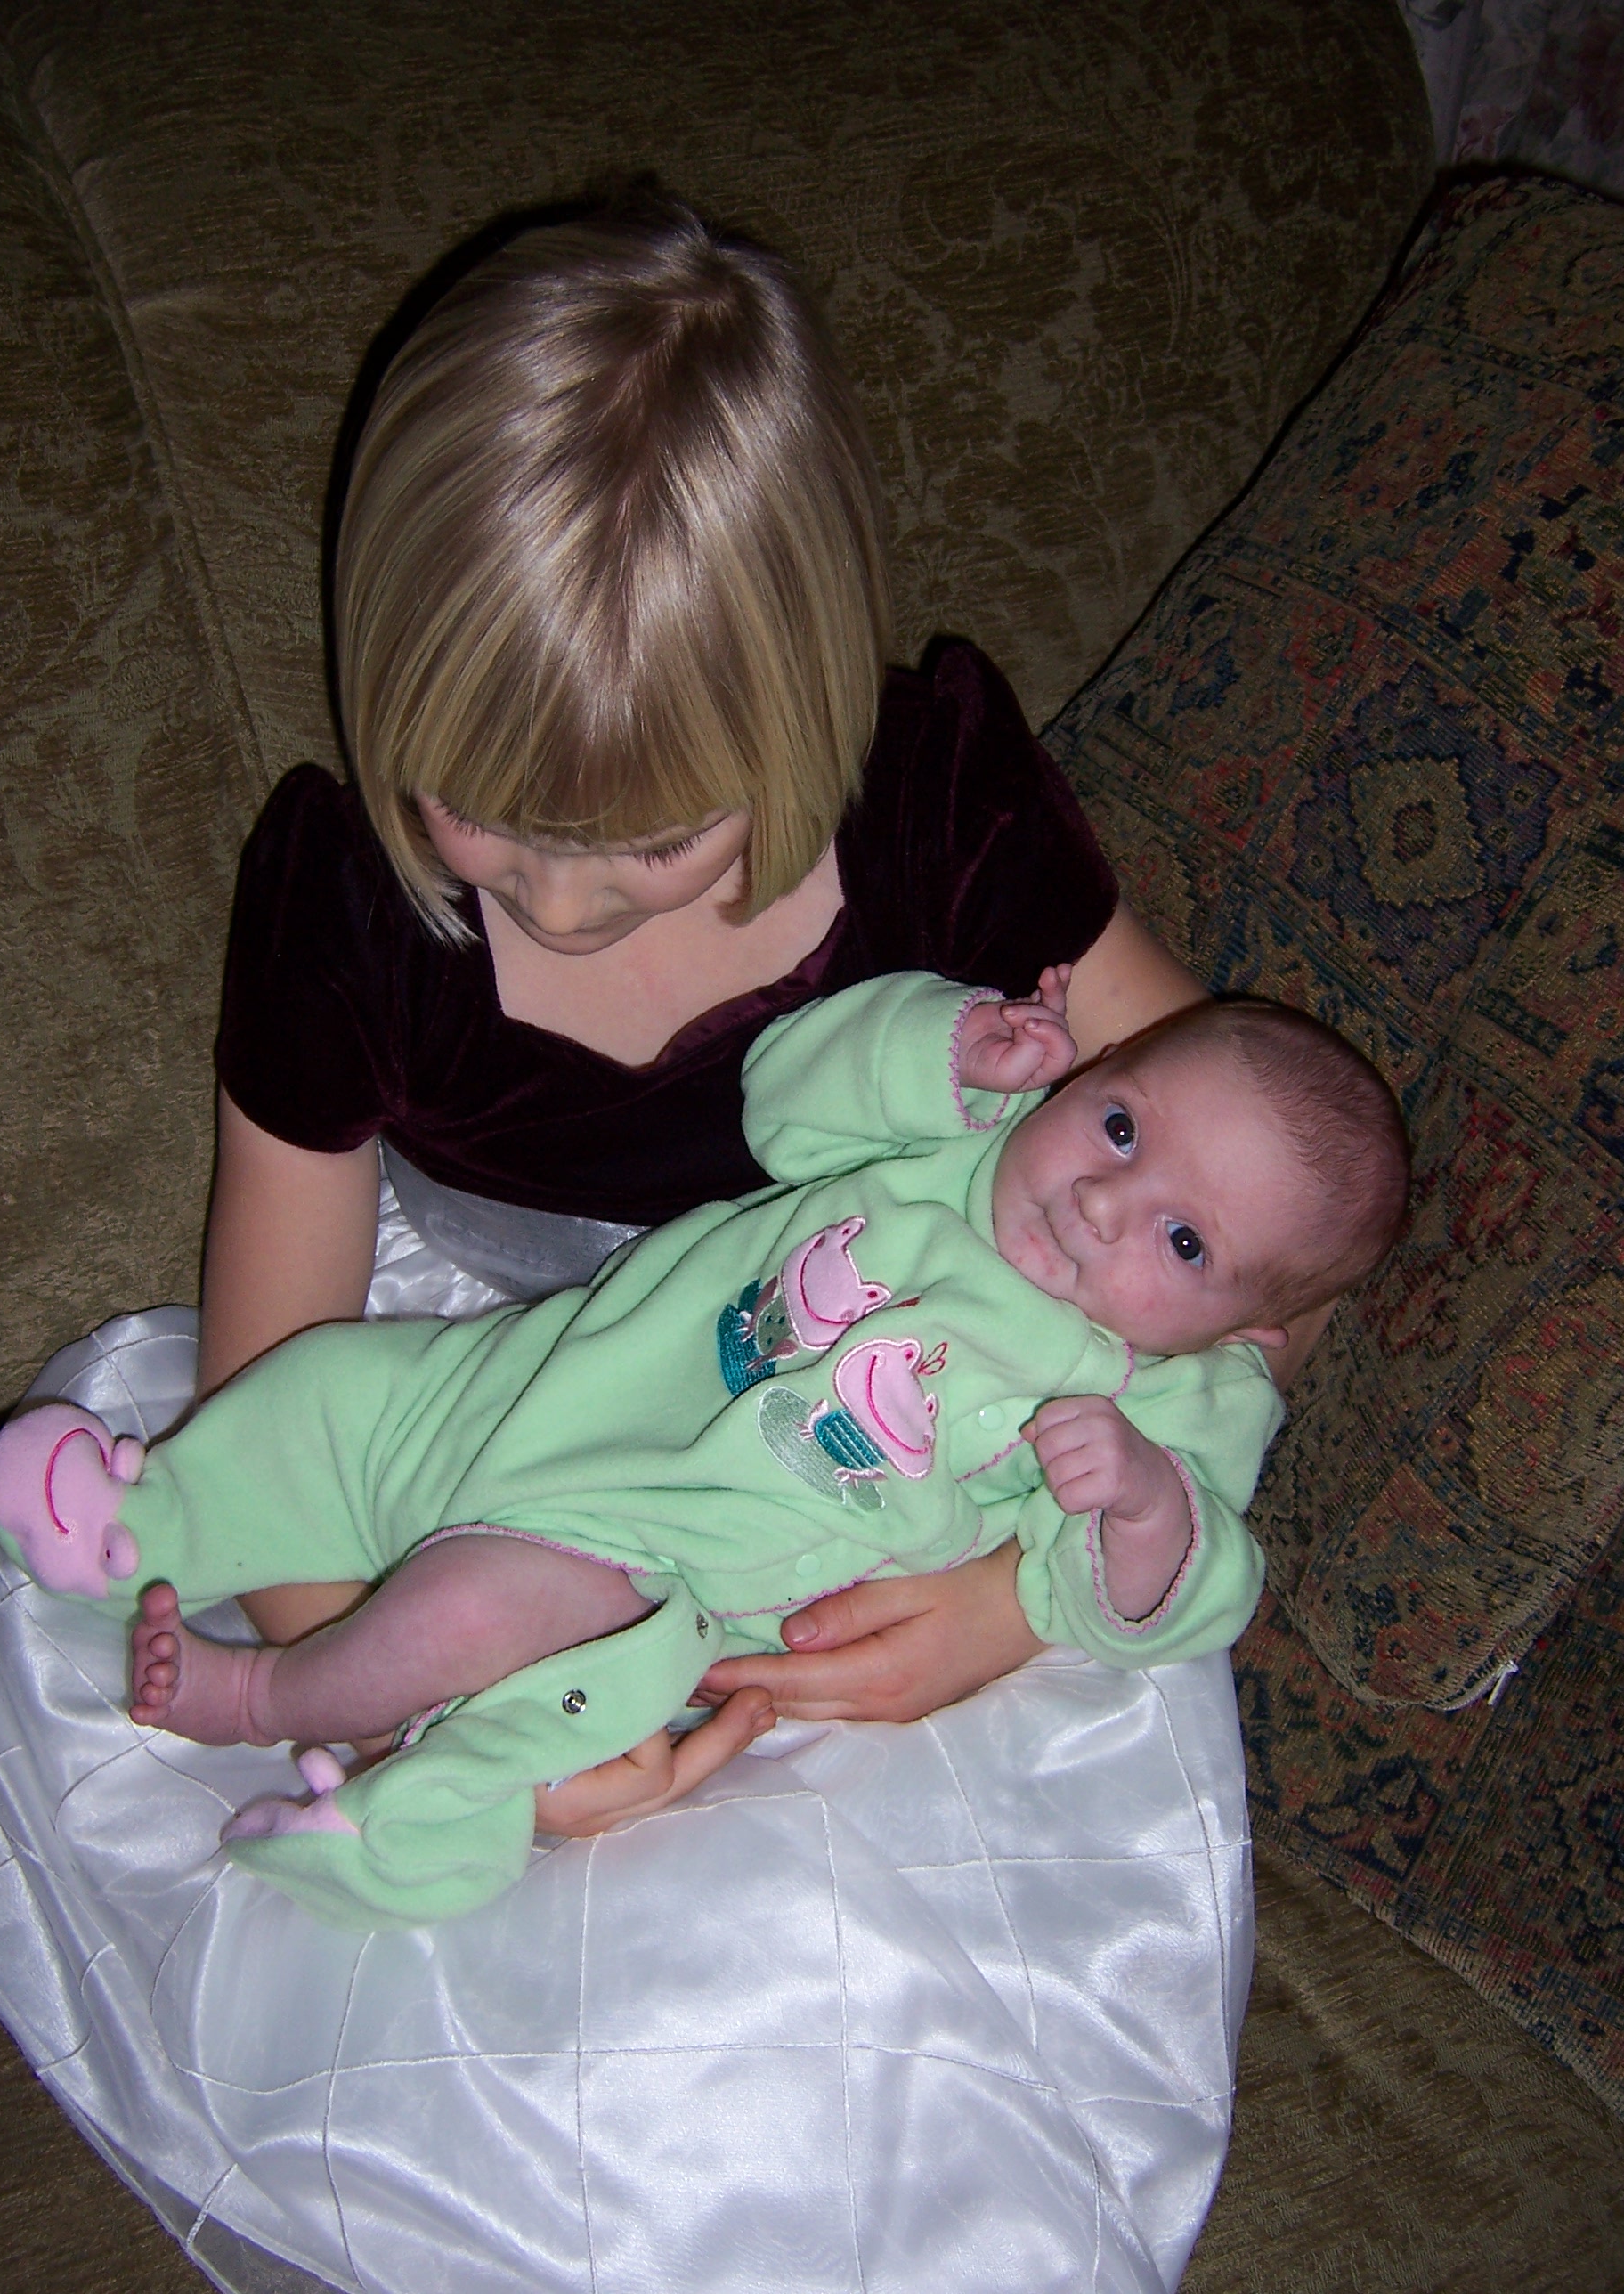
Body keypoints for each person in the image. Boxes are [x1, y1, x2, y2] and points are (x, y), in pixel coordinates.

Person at [194, 186, 1289, 1836]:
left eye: (653, 840)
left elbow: (1271, 1253)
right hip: (491, 1432)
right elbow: (268, 1411)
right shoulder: (341, 913)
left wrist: (1012, 1600)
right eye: (472, 810)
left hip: (917, 1490)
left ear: (807, 707)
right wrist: (442, 1723)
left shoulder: (938, 812)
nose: (559, 905)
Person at [0, 967, 1409, 1925]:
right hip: (546, 1376)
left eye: (1182, 1240)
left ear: (1239, 1331)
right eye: (1120, 1125)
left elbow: (1178, 1594)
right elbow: (784, 1097)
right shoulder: (961, 1139)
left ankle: (286, 1724)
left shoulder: (1158, 1399)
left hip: (644, 1563)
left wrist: (1145, 1510)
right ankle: (146, 1521)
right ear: (1089, 1066)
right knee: (334, 1393)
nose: (1103, 1201)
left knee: (470, 1620)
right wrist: (948, 1049)